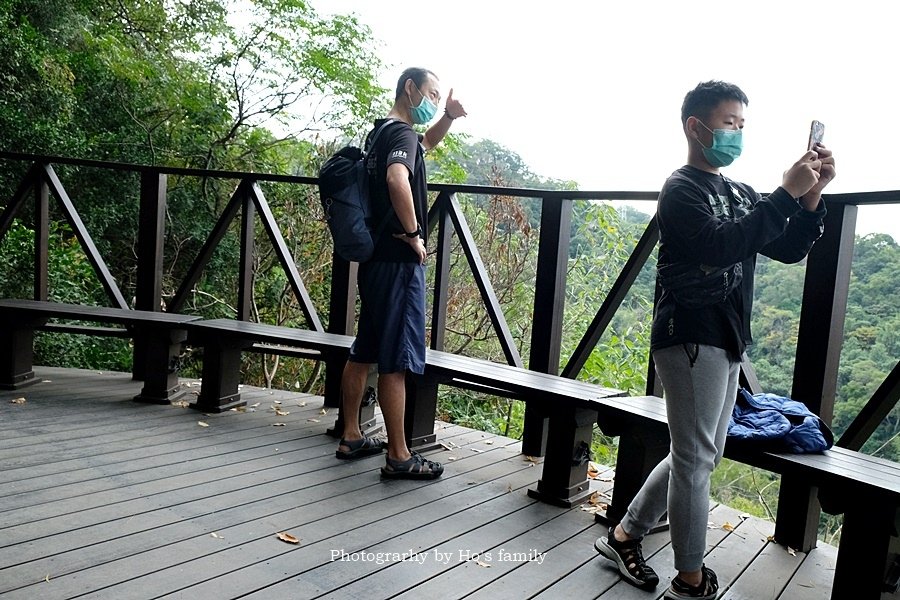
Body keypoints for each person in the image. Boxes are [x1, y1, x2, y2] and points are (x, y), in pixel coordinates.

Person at [595, 80, 835, 599]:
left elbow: (789, 247)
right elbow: (721, 244)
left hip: (725, 336)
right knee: (696, 456)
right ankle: (690, 578)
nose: (737, 134)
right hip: (688, 335)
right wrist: (786, 193)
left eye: (743, 126)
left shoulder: (739, 192)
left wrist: (811, 197)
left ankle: (625, 533)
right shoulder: (680, 189)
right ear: (696, 127)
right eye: (729, 123)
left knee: (699, 452)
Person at [335, 67, 467, 479]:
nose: (431, 100)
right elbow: (398, 178)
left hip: (375, 259)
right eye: (429, 93)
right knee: (395, 359)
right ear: (409, 89)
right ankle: (399, 455)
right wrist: (414, 234)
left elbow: (425, 144)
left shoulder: (382, 133)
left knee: (365, 348)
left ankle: (352, 434)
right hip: (396, 261)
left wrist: (447, 117)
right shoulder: (401, 135)